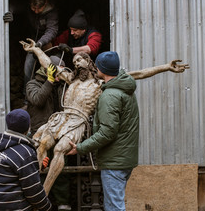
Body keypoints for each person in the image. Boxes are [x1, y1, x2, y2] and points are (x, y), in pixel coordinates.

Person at [19, 38, 189, 197]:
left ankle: (44, 193)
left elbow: (140, 74)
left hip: (78, 121)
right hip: (62, 118)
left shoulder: (100, 84)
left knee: (59, 149)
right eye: (75, 61)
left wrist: (166, 67)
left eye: (80, 59)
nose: (77, 63)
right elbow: (48, 63)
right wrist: (36, 49)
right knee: (41, 141)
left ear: (90, 62)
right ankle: (32, 188)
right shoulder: (71, 79)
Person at [66, 51, 138, 210]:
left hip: (115, 162)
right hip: (123, 159)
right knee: (115, 203)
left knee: (114, 207)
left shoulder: (110, 95)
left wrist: (81, 147)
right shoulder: (125, 89)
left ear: (102, 69)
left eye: (98, 65)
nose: (95, 67)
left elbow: (107, 132)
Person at [26, 56, 73, 211]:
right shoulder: (32, 84)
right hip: (40, 137)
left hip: (59, 134)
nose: (62, 73)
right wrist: (50, 80)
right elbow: (38, 99)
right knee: (39, 170)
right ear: (49, 69)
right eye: (59, 69)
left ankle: (63, 203)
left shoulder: (63, 86)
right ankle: (39, 204)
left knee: (60, 171)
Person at [0, 109, 52, 211]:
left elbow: (7, 176)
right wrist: (47, 207)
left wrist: (35, 167)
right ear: (28, 128)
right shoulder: (25, 153)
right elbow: (33, 191)